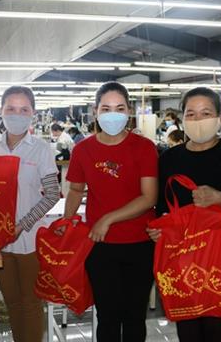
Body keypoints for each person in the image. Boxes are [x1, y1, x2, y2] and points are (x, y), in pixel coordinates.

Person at [147, 87, 221, 342]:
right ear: (182, 118)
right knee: (189, 335)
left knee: (220, 331)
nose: (198, 120)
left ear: (219, 117)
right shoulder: (169, 158)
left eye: (206, 113)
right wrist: (158, 230)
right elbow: (162, 208)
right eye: (191, 114)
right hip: (182, 264)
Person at [64, 81, 158, 342]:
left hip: (140, 243)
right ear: (95, 111)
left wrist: (108, 218)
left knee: (134, 317)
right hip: (100, 245)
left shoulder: (144, 147)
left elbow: (149, 197)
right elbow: (75, 190)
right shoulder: (83, 150)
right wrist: (67, 222)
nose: (112, 114)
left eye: (119, 108)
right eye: (105, 108)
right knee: (107, 317)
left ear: (129, 111)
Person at [0, 86, 60, 342]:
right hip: (1, 240)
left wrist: (22, 224)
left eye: (24, 109)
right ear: (0, 112)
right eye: (11, 109)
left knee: (31, 303)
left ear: (33, 114)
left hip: (30, 239)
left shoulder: (40, 149)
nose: (17, 114)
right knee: (12, 302)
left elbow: (52, 194)